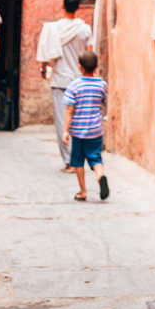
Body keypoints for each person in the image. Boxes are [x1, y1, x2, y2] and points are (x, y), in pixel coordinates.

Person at [36, 0, 93, 172]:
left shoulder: (53, 29)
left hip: (60, 80)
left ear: (63, 6)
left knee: (63, 121)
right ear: (78, 8)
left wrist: (44, 69)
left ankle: (69, 162)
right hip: (80, 80)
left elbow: (45, 52)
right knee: (79, 120)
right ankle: (79, 158)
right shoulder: (84, 29)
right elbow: (89, 54)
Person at [62, 51, 109, 201]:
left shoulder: (74, 86)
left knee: (78, 161)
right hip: (95, 131)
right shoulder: (101, 84)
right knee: (96, 158)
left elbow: (70, 110)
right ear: (97, 66)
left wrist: (65, 131)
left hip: (78, 132)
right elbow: (104, 102)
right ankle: (100, 176)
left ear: (80, 67)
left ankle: (83, 191)